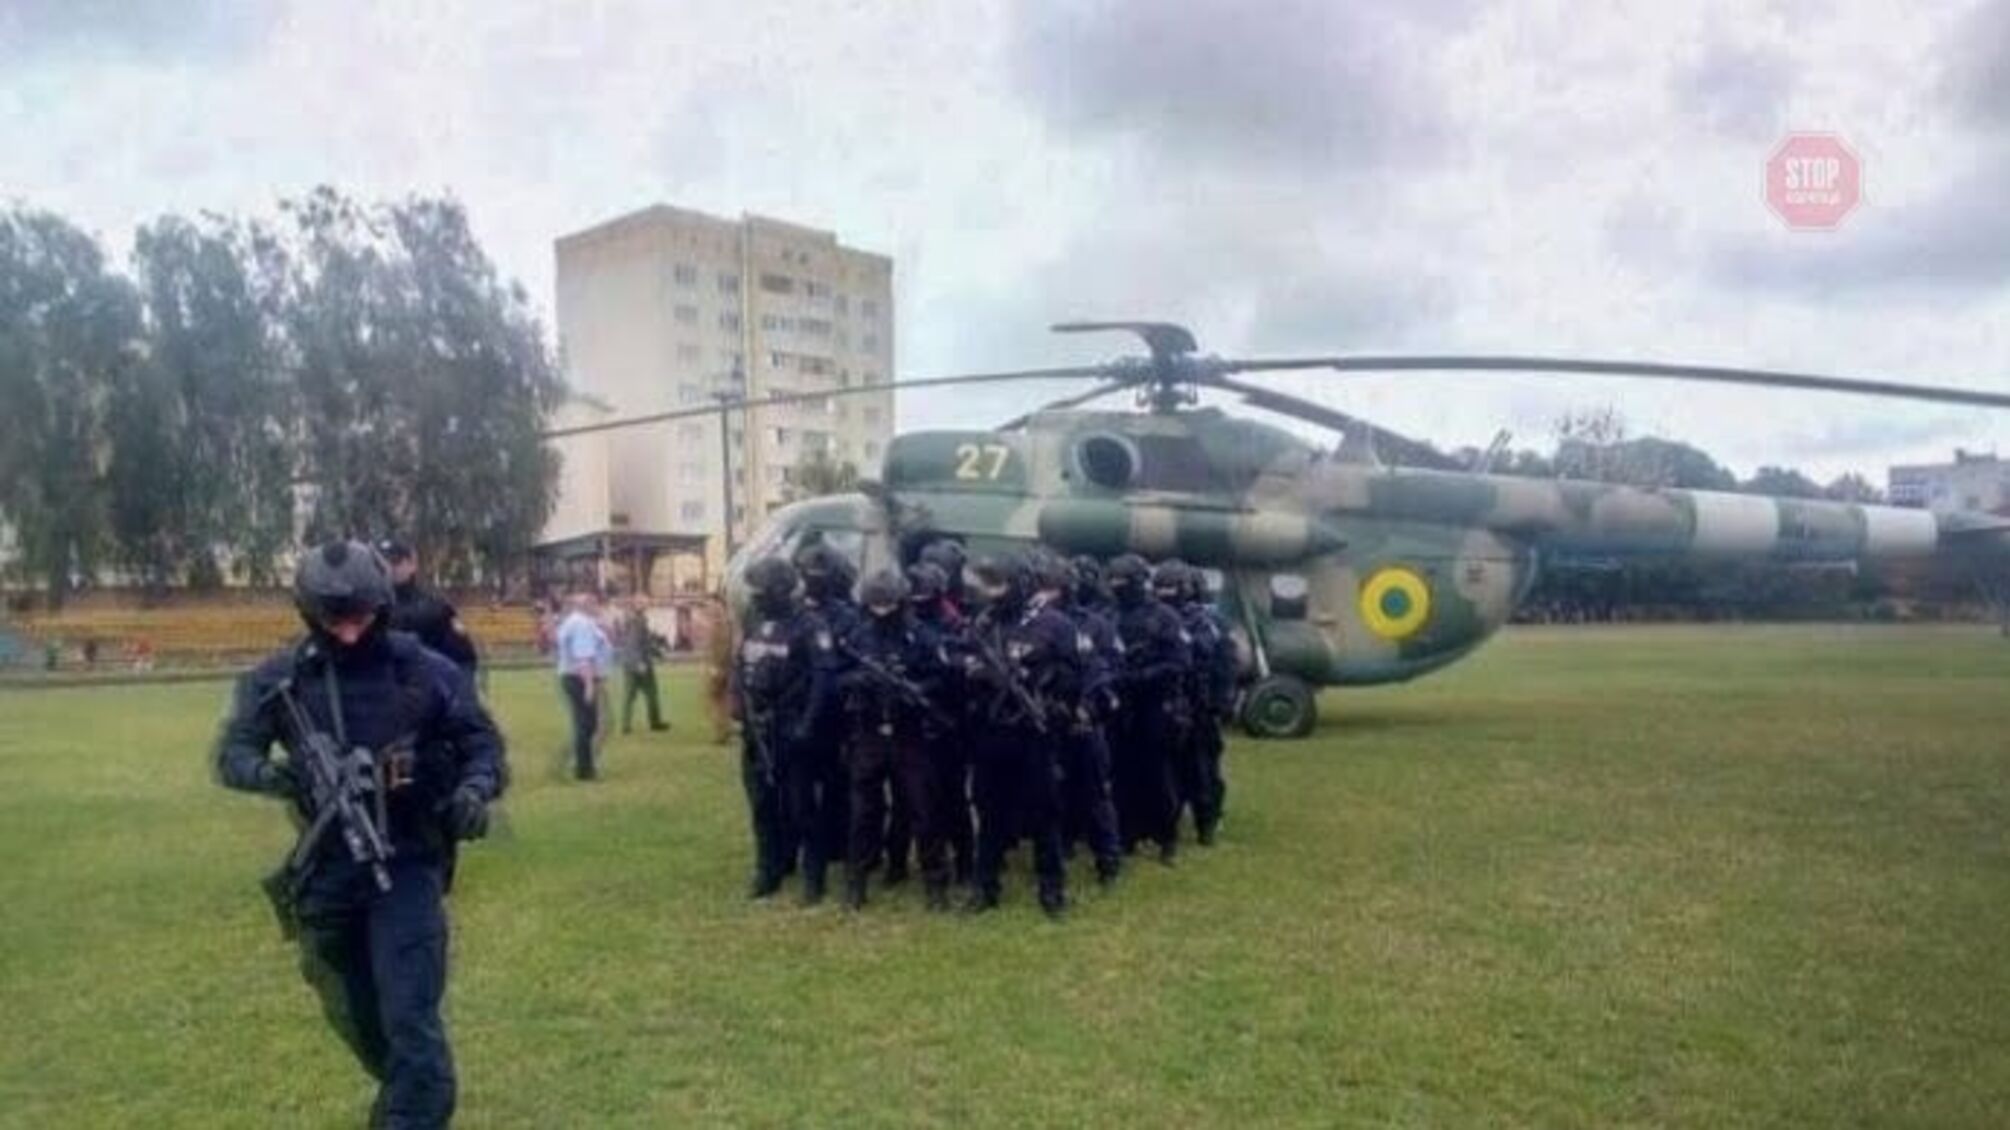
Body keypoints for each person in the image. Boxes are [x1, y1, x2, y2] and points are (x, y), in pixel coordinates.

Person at [214, 539, 505, 1129]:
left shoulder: (427, 670)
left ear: (383, 607)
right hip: (325, 875)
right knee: (367, 1027)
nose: (349, 634)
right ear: (308, 614)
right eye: (333, 621)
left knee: (412, 1029)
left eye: (361, 619)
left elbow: (483, 744)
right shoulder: (281, 679)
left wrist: (475, 790)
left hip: (406, 866)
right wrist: (273, 774)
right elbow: (233, 753)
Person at [958, 551, 1085, 918]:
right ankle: (985, 887)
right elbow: (960, 662)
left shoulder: (1055, 625)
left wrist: (1046, 692)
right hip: (991, 733)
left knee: (1044, 814)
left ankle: (1052, 889)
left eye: (1001, 585)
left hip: (1034, 732)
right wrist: (977, 674)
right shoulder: (982, 624)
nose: (994, 593)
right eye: (990, 585)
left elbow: (1075, 676)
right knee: (989, 810)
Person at [837, 568, 952, 910]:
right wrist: (859, 680)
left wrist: (917, 690)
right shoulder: (857, 637)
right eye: (875, 604)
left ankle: (935, 885)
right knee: (863, 813)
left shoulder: (923, 637)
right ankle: (856, 883)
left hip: (910, 736)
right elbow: (834, 677)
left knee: (924, 811)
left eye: (887, 603)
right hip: (869, 733)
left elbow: (944, 679)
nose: (881, 610)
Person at [732, 557, 834, 900]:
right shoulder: (754, 620)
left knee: (801, 807)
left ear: (781, 590)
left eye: (762, 591)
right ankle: (768, 870)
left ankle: (813, 877)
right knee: (762, 805)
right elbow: (741, 665)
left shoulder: (810, 625)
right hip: (757, 731)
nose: (756, 597)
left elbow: (823, 679)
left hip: (792, 728)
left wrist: (808, 724)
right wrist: (739, 705)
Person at [1107, 553, 1190, 863]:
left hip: (1155, 706)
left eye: (1124, 584)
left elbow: (1180, 662)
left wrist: (1141, 676)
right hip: (1121, 706)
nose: (1119, 590)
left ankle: (1167, 838)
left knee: (1158, 775)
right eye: (1115, 584)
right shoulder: (1109, 616)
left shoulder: (1164, 617)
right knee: (1122, 775)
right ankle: (1127, 834)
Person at [376, 539, 480, 678]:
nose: (388, 568)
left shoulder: (435, 610)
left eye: (395, 562)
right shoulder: (363, 609)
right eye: (381, 564)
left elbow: (463, 661)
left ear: (412, 564)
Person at [555, 591, 611, 780]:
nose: (598, 607)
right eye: (595, 603)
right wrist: (588, 684)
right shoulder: (582, 624)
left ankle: (583, 765)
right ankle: (584, 769)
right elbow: (583, 656)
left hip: (573, 676)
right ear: (587, 605)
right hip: (579, 677)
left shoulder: (576, 621)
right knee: (585, 724)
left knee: (587, 723)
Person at [617, 595, 671, 734]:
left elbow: (643, 642)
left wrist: (657, 650)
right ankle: (651, 722)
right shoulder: (636, 620)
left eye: (646, 602)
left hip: (632, 662)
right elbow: (634, 643)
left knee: (631, 695)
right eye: (641, 602)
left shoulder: (634, 619)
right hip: (638, 663)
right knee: (644, 694)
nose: (645, 604)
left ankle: (627, 725)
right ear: (635, 604)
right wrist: (639, 662)